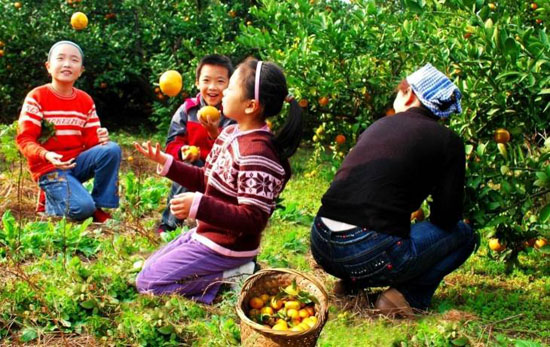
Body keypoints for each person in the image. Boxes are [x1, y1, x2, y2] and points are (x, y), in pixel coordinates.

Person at [310, 64, 477, 318]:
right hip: (368, 251)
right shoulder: (448, 141)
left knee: (383, 225)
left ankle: (350, 284)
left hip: (321, 242)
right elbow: (447, 217)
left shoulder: (378, 126)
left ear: (409, 93)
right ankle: (405, 298)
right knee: (464, 235)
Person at [134, 58, 303, 304]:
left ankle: (233, 276)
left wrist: (199, 205)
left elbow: (253, 218)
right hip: (207, 234)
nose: (222, 92)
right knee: (149, 269)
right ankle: (227, 272)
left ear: (251, 105)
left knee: (148, 284)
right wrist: (168, 163)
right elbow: (207, 178)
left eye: (230, 87)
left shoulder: (257, 153)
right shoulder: (229, 133)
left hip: (228, 247)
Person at [16, 40, 121, 223]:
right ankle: (50, 201)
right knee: (82, 209)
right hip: (49, 168)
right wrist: (46, 154)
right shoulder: (37, 97)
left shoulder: (85, 100)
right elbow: (25, 140)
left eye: (74, 60)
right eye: (61, 58)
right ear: (49, 67)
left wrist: (101, 139)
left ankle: (99, 205)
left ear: (80, 71)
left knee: (111, 149)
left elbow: (92, 144)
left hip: (75, 164)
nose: (67, 64)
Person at [157, 54, 235, 234]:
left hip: (221, 171)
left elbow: (234, 150)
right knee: (187, 167)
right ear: (197, 83)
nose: (213, 87)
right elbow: (171, 144)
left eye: (220, 81)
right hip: (195, 167)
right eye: (206, 80)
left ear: (229, 85)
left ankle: (216, 225)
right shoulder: (187, 110)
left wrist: (215, 133)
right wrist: (182, 151)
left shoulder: (232, 112)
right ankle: (169, 224)